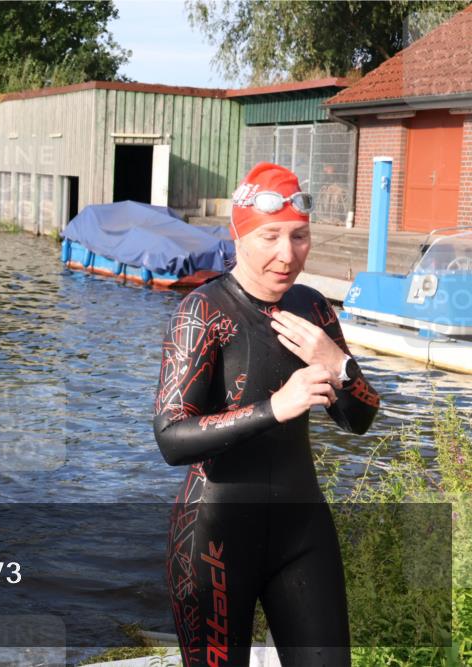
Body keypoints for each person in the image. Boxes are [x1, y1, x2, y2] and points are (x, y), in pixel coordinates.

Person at [153, 162, 381, 667]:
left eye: (300, 237)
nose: (288, 254)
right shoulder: (202, 311)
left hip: (302, 533)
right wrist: (275, 407)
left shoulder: (314, 309)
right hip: (214, 538)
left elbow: (359, 419)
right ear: (240, 236)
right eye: (271, 236)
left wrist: (339, 364)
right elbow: (171, 437)